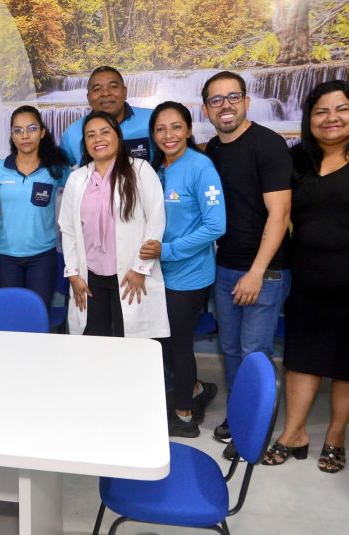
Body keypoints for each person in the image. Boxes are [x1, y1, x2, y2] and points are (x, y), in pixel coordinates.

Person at [262, 81, 349, 473]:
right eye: (321, 111)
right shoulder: (298, 159)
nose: (331, 118)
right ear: (309, 118)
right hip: (308, 282)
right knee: (300, 360)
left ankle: (335, 436)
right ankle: (294, 433)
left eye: (341, 109)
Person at [202, 71, 292, 458]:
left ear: (246, 101)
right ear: (206, 108)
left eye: (232, 97)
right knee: (231, 349)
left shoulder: (268, 145)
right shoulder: (213, 150)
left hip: (265, 270)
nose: (226, 105)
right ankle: (240, 415)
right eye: (217, 100)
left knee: (254, 351)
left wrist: (256, 272)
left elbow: (280, 212)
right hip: (226, 266)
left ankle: (253, 430)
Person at [139, 101, 226, 437]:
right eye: (160, 129)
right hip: (158, 273)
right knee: (160, 340)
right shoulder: (155, 167)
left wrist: (169, 250)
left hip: (188, 275)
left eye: (176, 127)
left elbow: (216, 225)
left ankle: (185, 414)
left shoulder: (200, 167)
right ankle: (193, 389)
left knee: (177, 342)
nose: (168, 134)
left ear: (189, 130)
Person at [58, 111, 168, 339]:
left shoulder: (140, 170)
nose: (98, 139)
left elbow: (156, 220)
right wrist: (73, 274)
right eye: (90, 135)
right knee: (95, 344)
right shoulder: (77, 179)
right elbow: (67, 229)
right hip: (90, 278)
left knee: (130, 344)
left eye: (105, 132)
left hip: (130, 276)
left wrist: (140, 268)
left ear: (118, 136)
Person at [0, 105, 71, 310]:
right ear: (12, 136)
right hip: (5, 257)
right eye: (18, 130)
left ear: (42, 132)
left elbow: (80, 195)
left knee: (37, 315)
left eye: (32, 128)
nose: (25, 135)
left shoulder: (56, 168)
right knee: (10, 315)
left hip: (42, 257)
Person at [60, 66, 153, 166]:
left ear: (125, 92)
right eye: (97, 89)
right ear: (88, 98)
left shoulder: (153, 120)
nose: (105, 93)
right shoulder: (72, 133)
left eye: (113, 86)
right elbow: (61, 173)